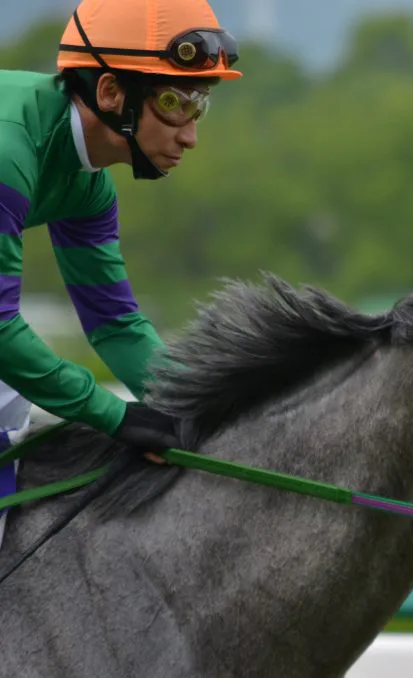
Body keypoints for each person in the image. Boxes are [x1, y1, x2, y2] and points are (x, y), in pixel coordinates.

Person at [0, 0, 242, 547]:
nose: (190, 135)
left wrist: (198, 408)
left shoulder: (88, 186)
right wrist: (112, 415)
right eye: (173, 102)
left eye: (197, 106)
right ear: (110, 92)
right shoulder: (7, 150)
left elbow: (114, 322)